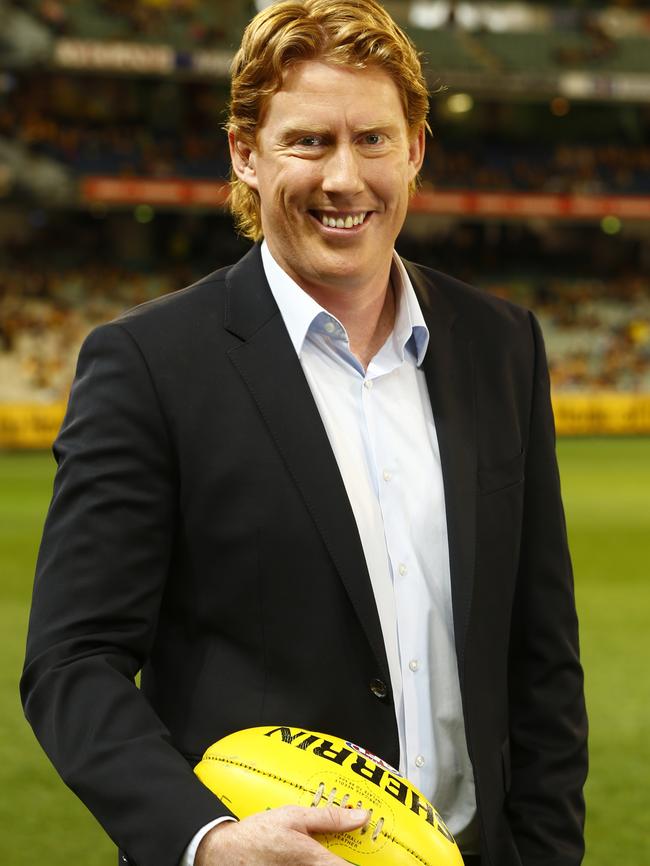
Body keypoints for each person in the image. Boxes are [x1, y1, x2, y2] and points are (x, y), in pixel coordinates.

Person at [20, 2, 588, 865]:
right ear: (245, 154)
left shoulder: (501, 345)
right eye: (309, 142)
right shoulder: (148, 363)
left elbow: (541, 653)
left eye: (373, 140)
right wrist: (207, 840)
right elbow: (73, 660)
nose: (345, 178)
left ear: (416, 150)